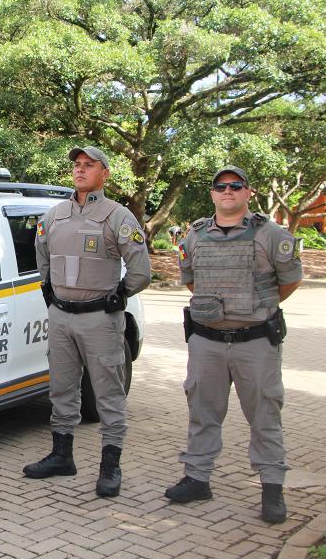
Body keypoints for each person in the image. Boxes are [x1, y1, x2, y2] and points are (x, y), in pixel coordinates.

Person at [165, 165, 303, 523]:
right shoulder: (193, 236)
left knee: (264, 415)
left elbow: (288, 282)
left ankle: (272, 487)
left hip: (255, 343)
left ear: (248, 192)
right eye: (221, 186)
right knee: (201, 411)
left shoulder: (271, 234)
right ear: (212, 194)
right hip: (206, 342)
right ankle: (197, 478)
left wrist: (253, 310)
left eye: (236, 186)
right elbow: (192, 282)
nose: (228, 191)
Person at [24, 146, 151, 498]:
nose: (80, 170)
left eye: (88, 165)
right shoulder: (54, 215)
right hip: (61, 316)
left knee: (108, 394)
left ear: (104, 173)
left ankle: (110, 466)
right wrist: (48, 289)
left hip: (100, 319)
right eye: (77, 165)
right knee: (62, 388)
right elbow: (42, 256)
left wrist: (119, 294)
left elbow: (141, 271)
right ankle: (61, 456)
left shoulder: (118, 216)